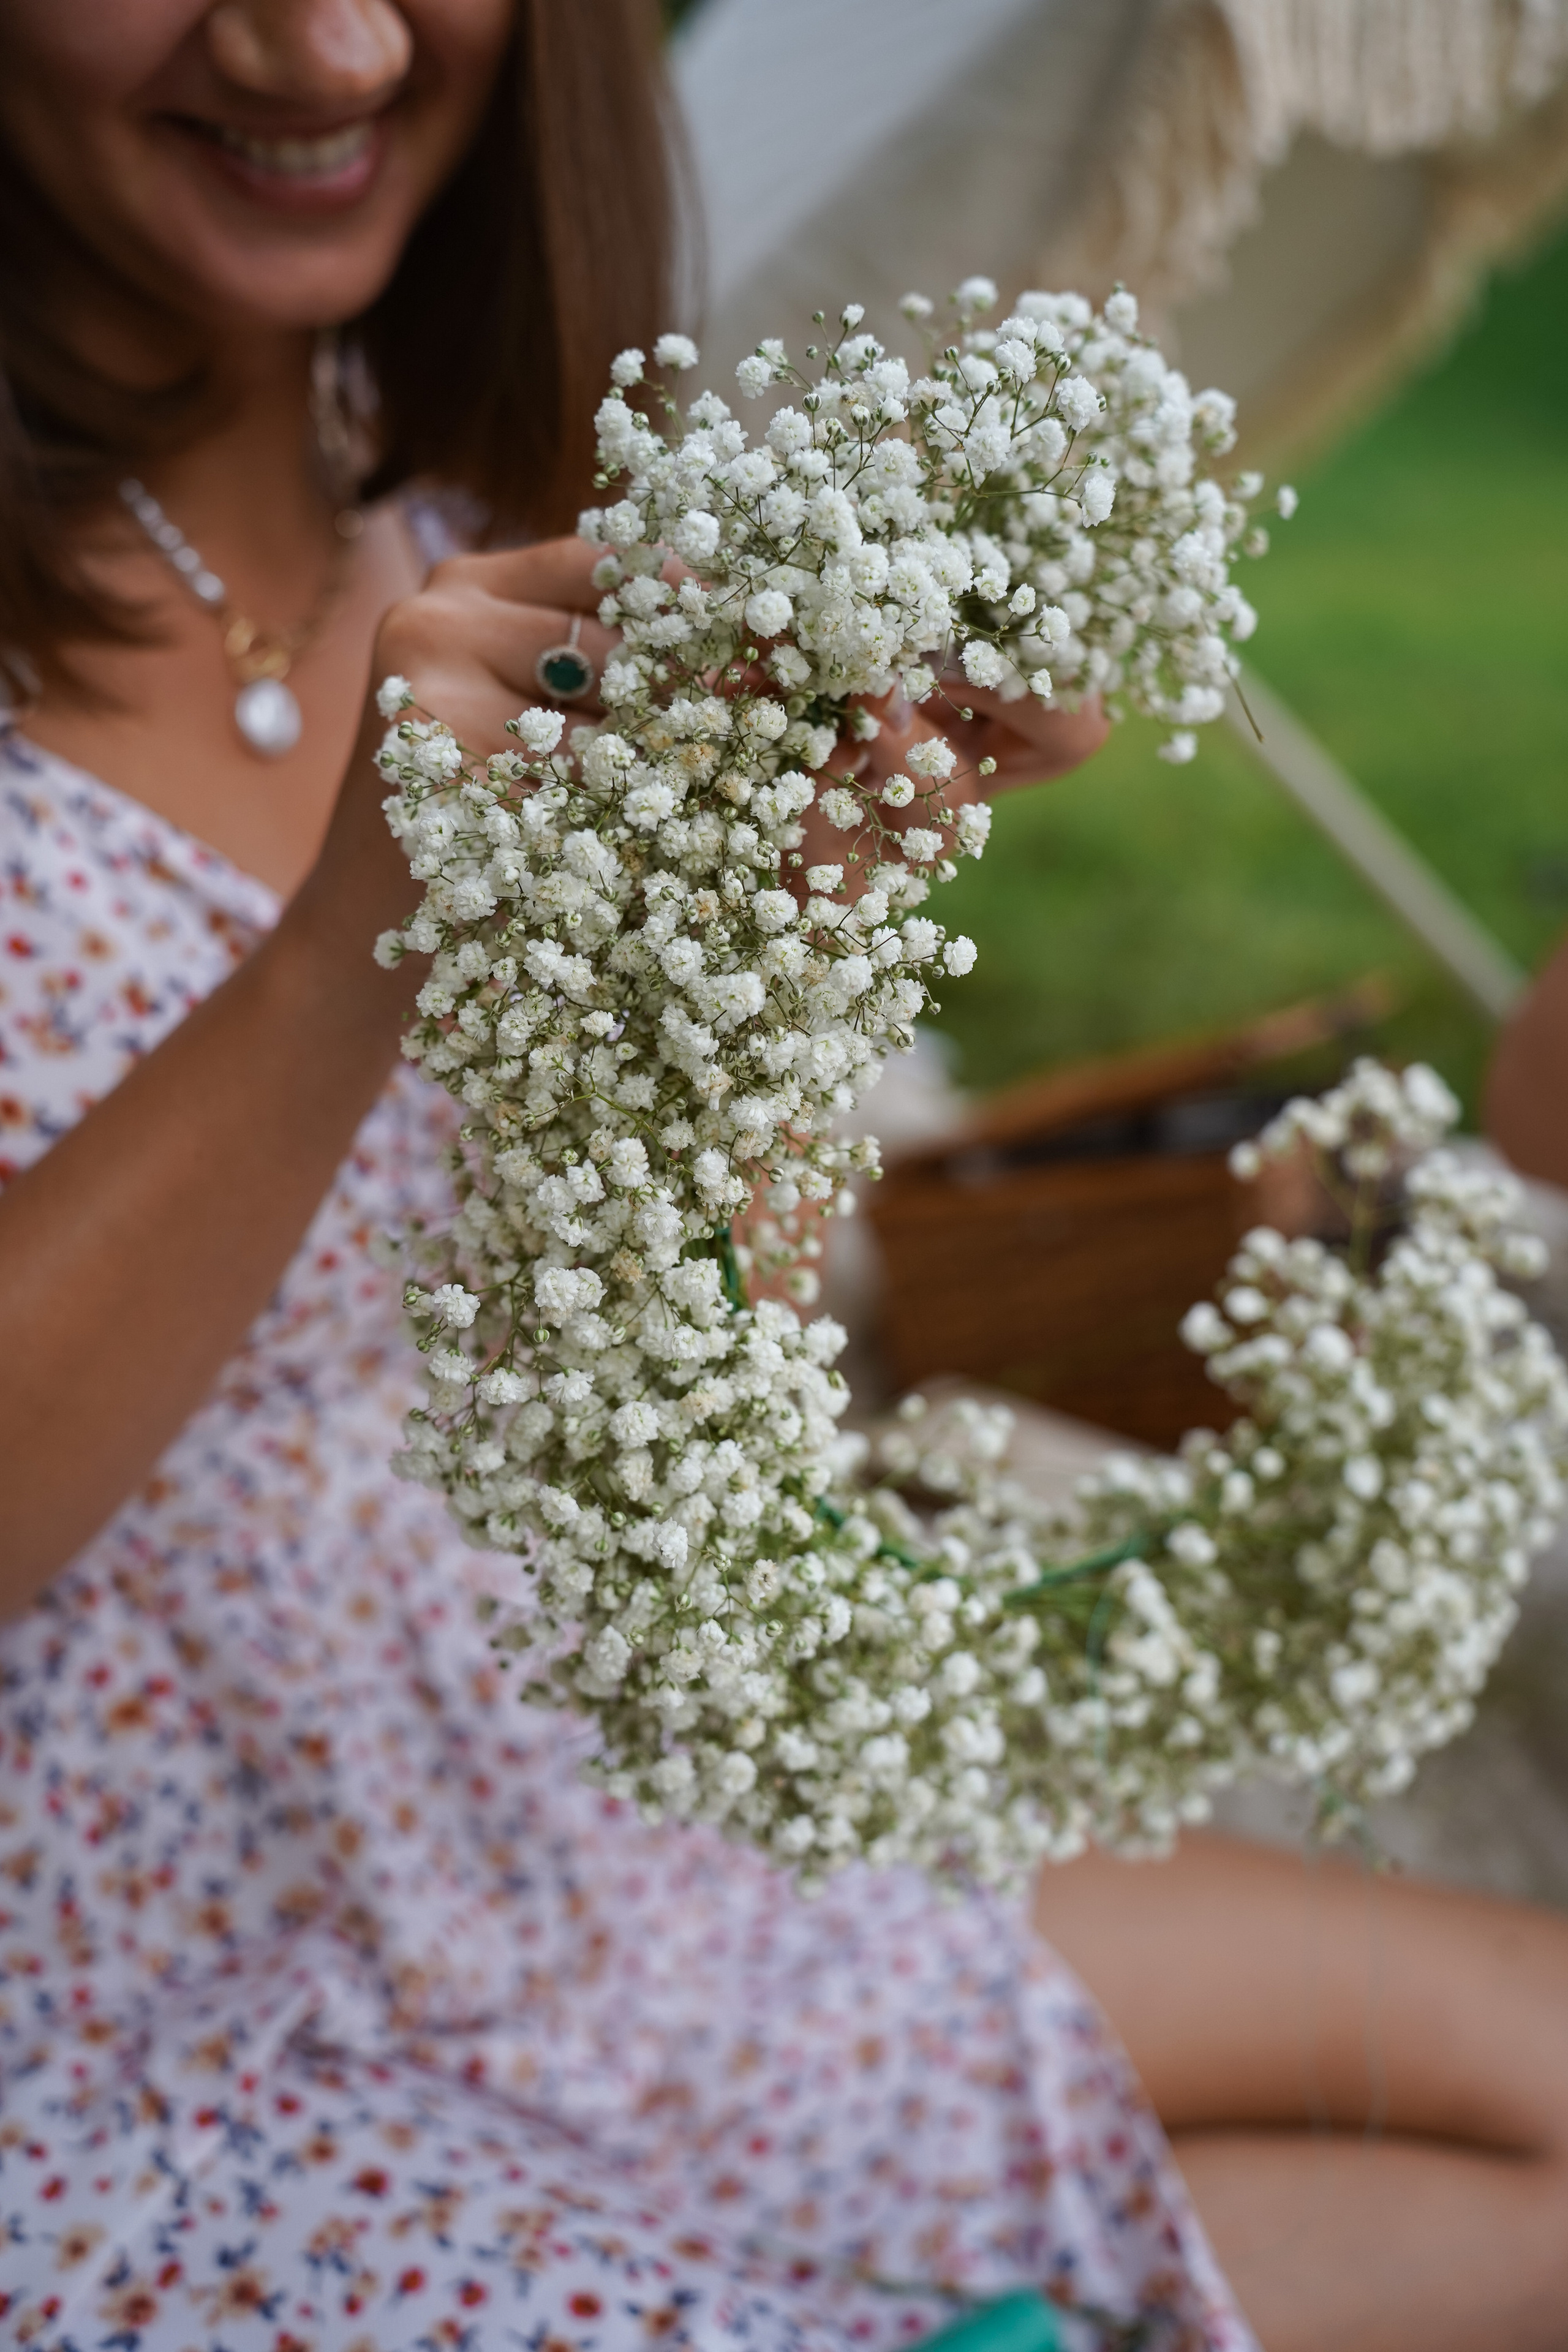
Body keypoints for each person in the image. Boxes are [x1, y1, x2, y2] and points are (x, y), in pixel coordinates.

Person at [1, 7, 1566, 2351]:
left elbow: (689, 1351)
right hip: (146, 1985)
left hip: (583, 1805)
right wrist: (358, 950)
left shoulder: (450, 504)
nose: (318, 40)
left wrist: (799, 903)